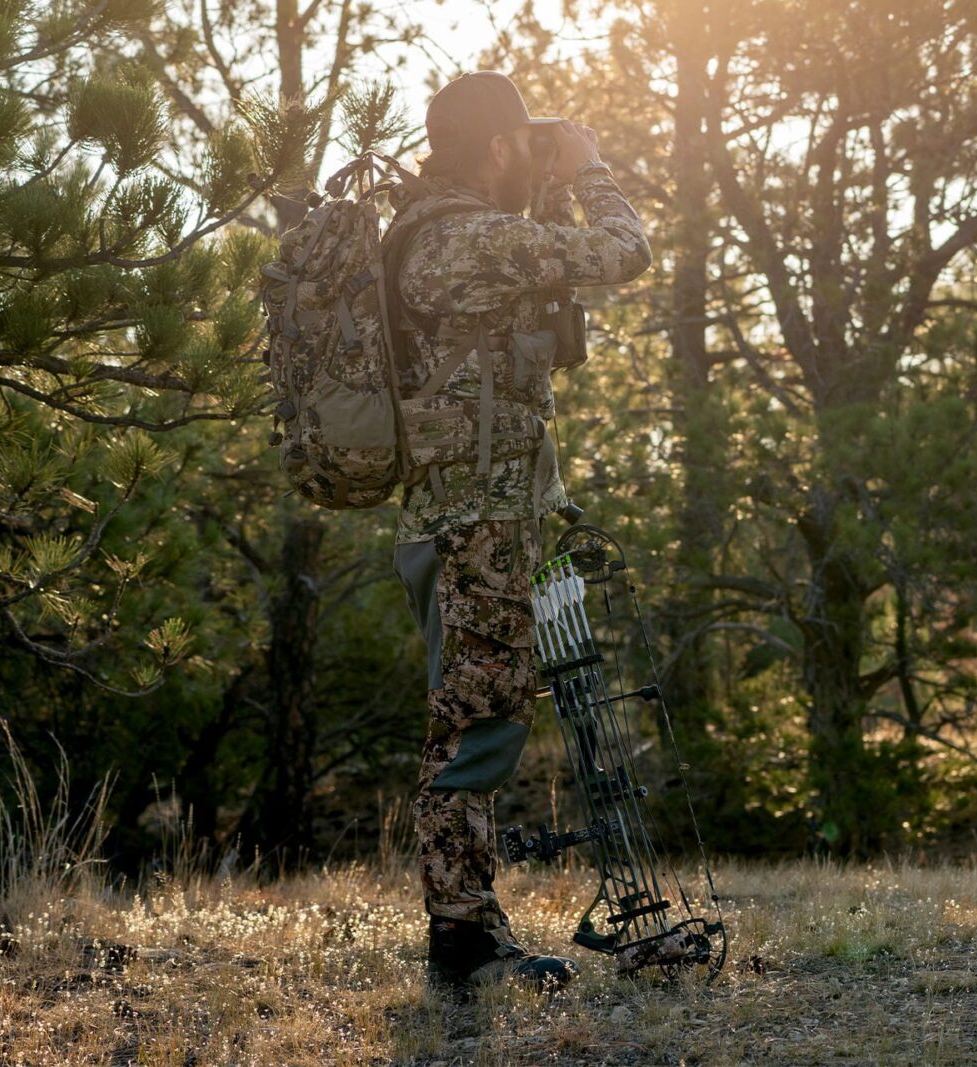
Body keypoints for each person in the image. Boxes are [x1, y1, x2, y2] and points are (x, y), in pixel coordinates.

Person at [386, 70, 652, 994]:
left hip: (458, 520)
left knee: (474, 721)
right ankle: (462, 939)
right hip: (477, 529)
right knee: (474, 730)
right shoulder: (470, 238)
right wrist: (589, 168)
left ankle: (467, 928)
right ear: (496, 148)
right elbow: (624, 251)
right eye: (521, 146)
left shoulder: (437, 229)